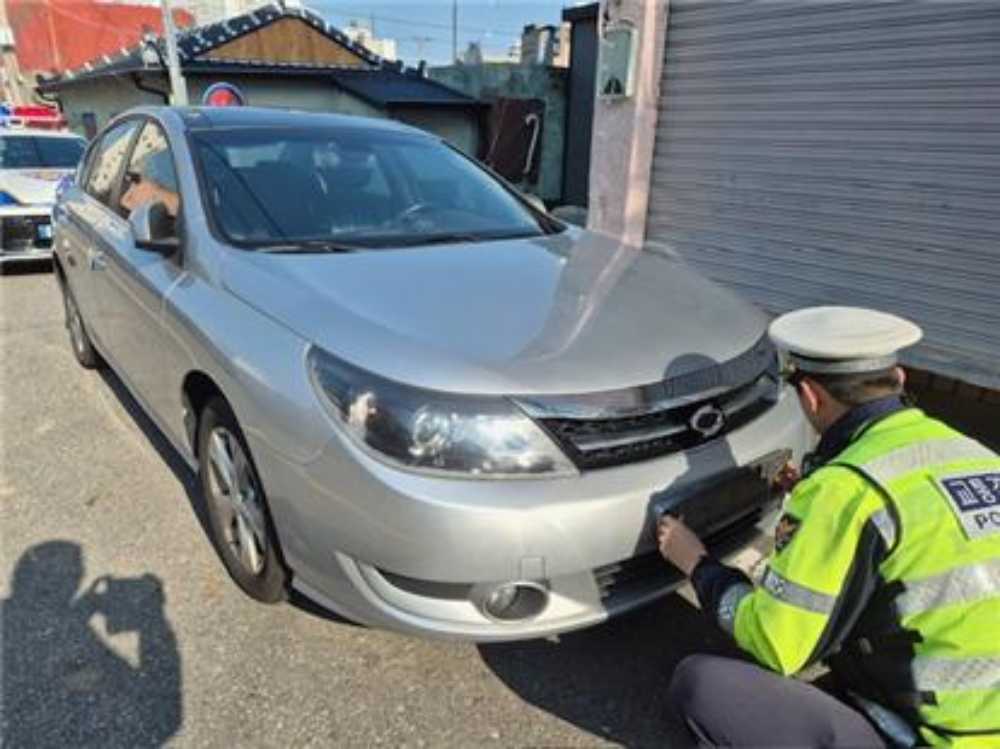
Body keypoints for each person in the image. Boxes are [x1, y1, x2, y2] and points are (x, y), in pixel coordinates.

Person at [658, 306, 1000, 747]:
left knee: (701, 685)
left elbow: (777, 644)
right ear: (899, 379)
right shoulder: (976, 455)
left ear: (812, 398)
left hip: (942, 739)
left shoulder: (844, 493)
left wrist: (697, 563)